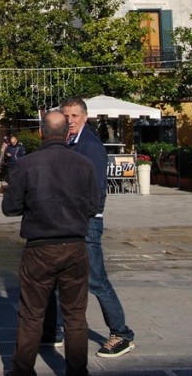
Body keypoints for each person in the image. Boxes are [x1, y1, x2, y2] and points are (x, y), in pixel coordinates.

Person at [2, 111, 99, 376]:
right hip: (75, 246)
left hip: (40, 247)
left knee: (31, 313)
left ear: (41, 133)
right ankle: (77, 371)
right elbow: (93, 206)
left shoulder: (25, 165)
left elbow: (9, 208)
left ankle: (22, 370)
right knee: (76, 315)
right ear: (67, 132)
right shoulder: (84, 164)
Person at [42, 97, 136, 358]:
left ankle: (121, 334)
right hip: (66, 221)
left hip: (86, 222)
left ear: (85, 117)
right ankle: (56, 330)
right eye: (66, 116)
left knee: (95, 280)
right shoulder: (68, 143)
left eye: (74, 116)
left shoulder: (90, 147)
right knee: (60, 277)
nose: (70, 120)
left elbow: (95, 191)